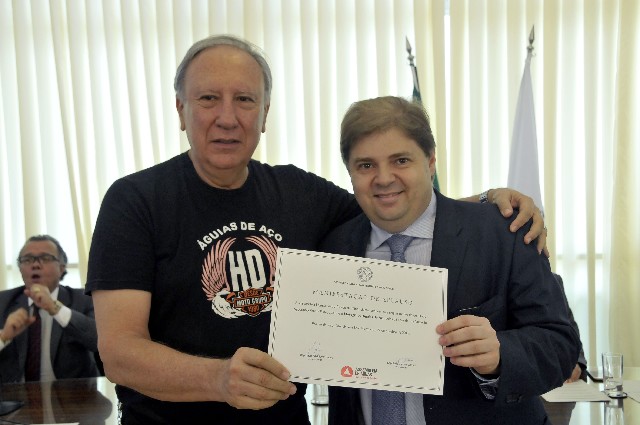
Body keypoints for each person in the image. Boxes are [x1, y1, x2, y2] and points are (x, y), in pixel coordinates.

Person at [85, 34, 549, 424]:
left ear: (264, 114)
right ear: (181, 109)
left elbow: (392, 204)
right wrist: (219, 379)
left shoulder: (300, 193)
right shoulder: (135, 201)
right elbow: (119, 353)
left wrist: (491, 201)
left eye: (245, 100)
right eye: (208, 98)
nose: (227, 117)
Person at [320, 96, 579, 425]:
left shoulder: (505, 232)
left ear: (430, 162)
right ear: (350, 172)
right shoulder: (331, 247)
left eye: (401, 160)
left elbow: (561, 344)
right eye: (366, 165)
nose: (383, 178)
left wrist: (501, 354)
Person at [0, 235, 100, 383]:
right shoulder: (3, 302)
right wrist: (3, 337)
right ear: (20, 268)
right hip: (16, 394)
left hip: (73, 393)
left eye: (45, 258)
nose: (35, 265)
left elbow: (99, 341)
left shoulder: (83, 299)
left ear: (62, 267)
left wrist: (55, 308)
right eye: (27, 260)